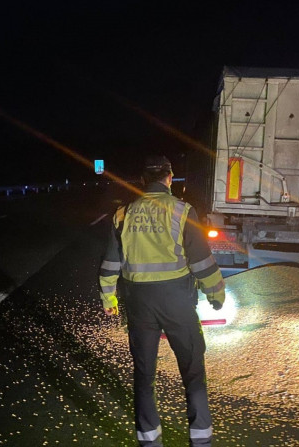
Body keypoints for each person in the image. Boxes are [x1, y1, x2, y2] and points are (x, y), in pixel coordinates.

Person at [98, 155, 226, 447]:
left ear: (143, 181)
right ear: (169, 178)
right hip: (177, 301)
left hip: (138, 302)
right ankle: (201, 440)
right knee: (193, 371)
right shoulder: (182, 211)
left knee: (144, 375)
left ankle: (149, 441)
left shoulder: (122, 214)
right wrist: (215, 294)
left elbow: (110, 262)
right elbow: (201, 261)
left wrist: (108, 298)